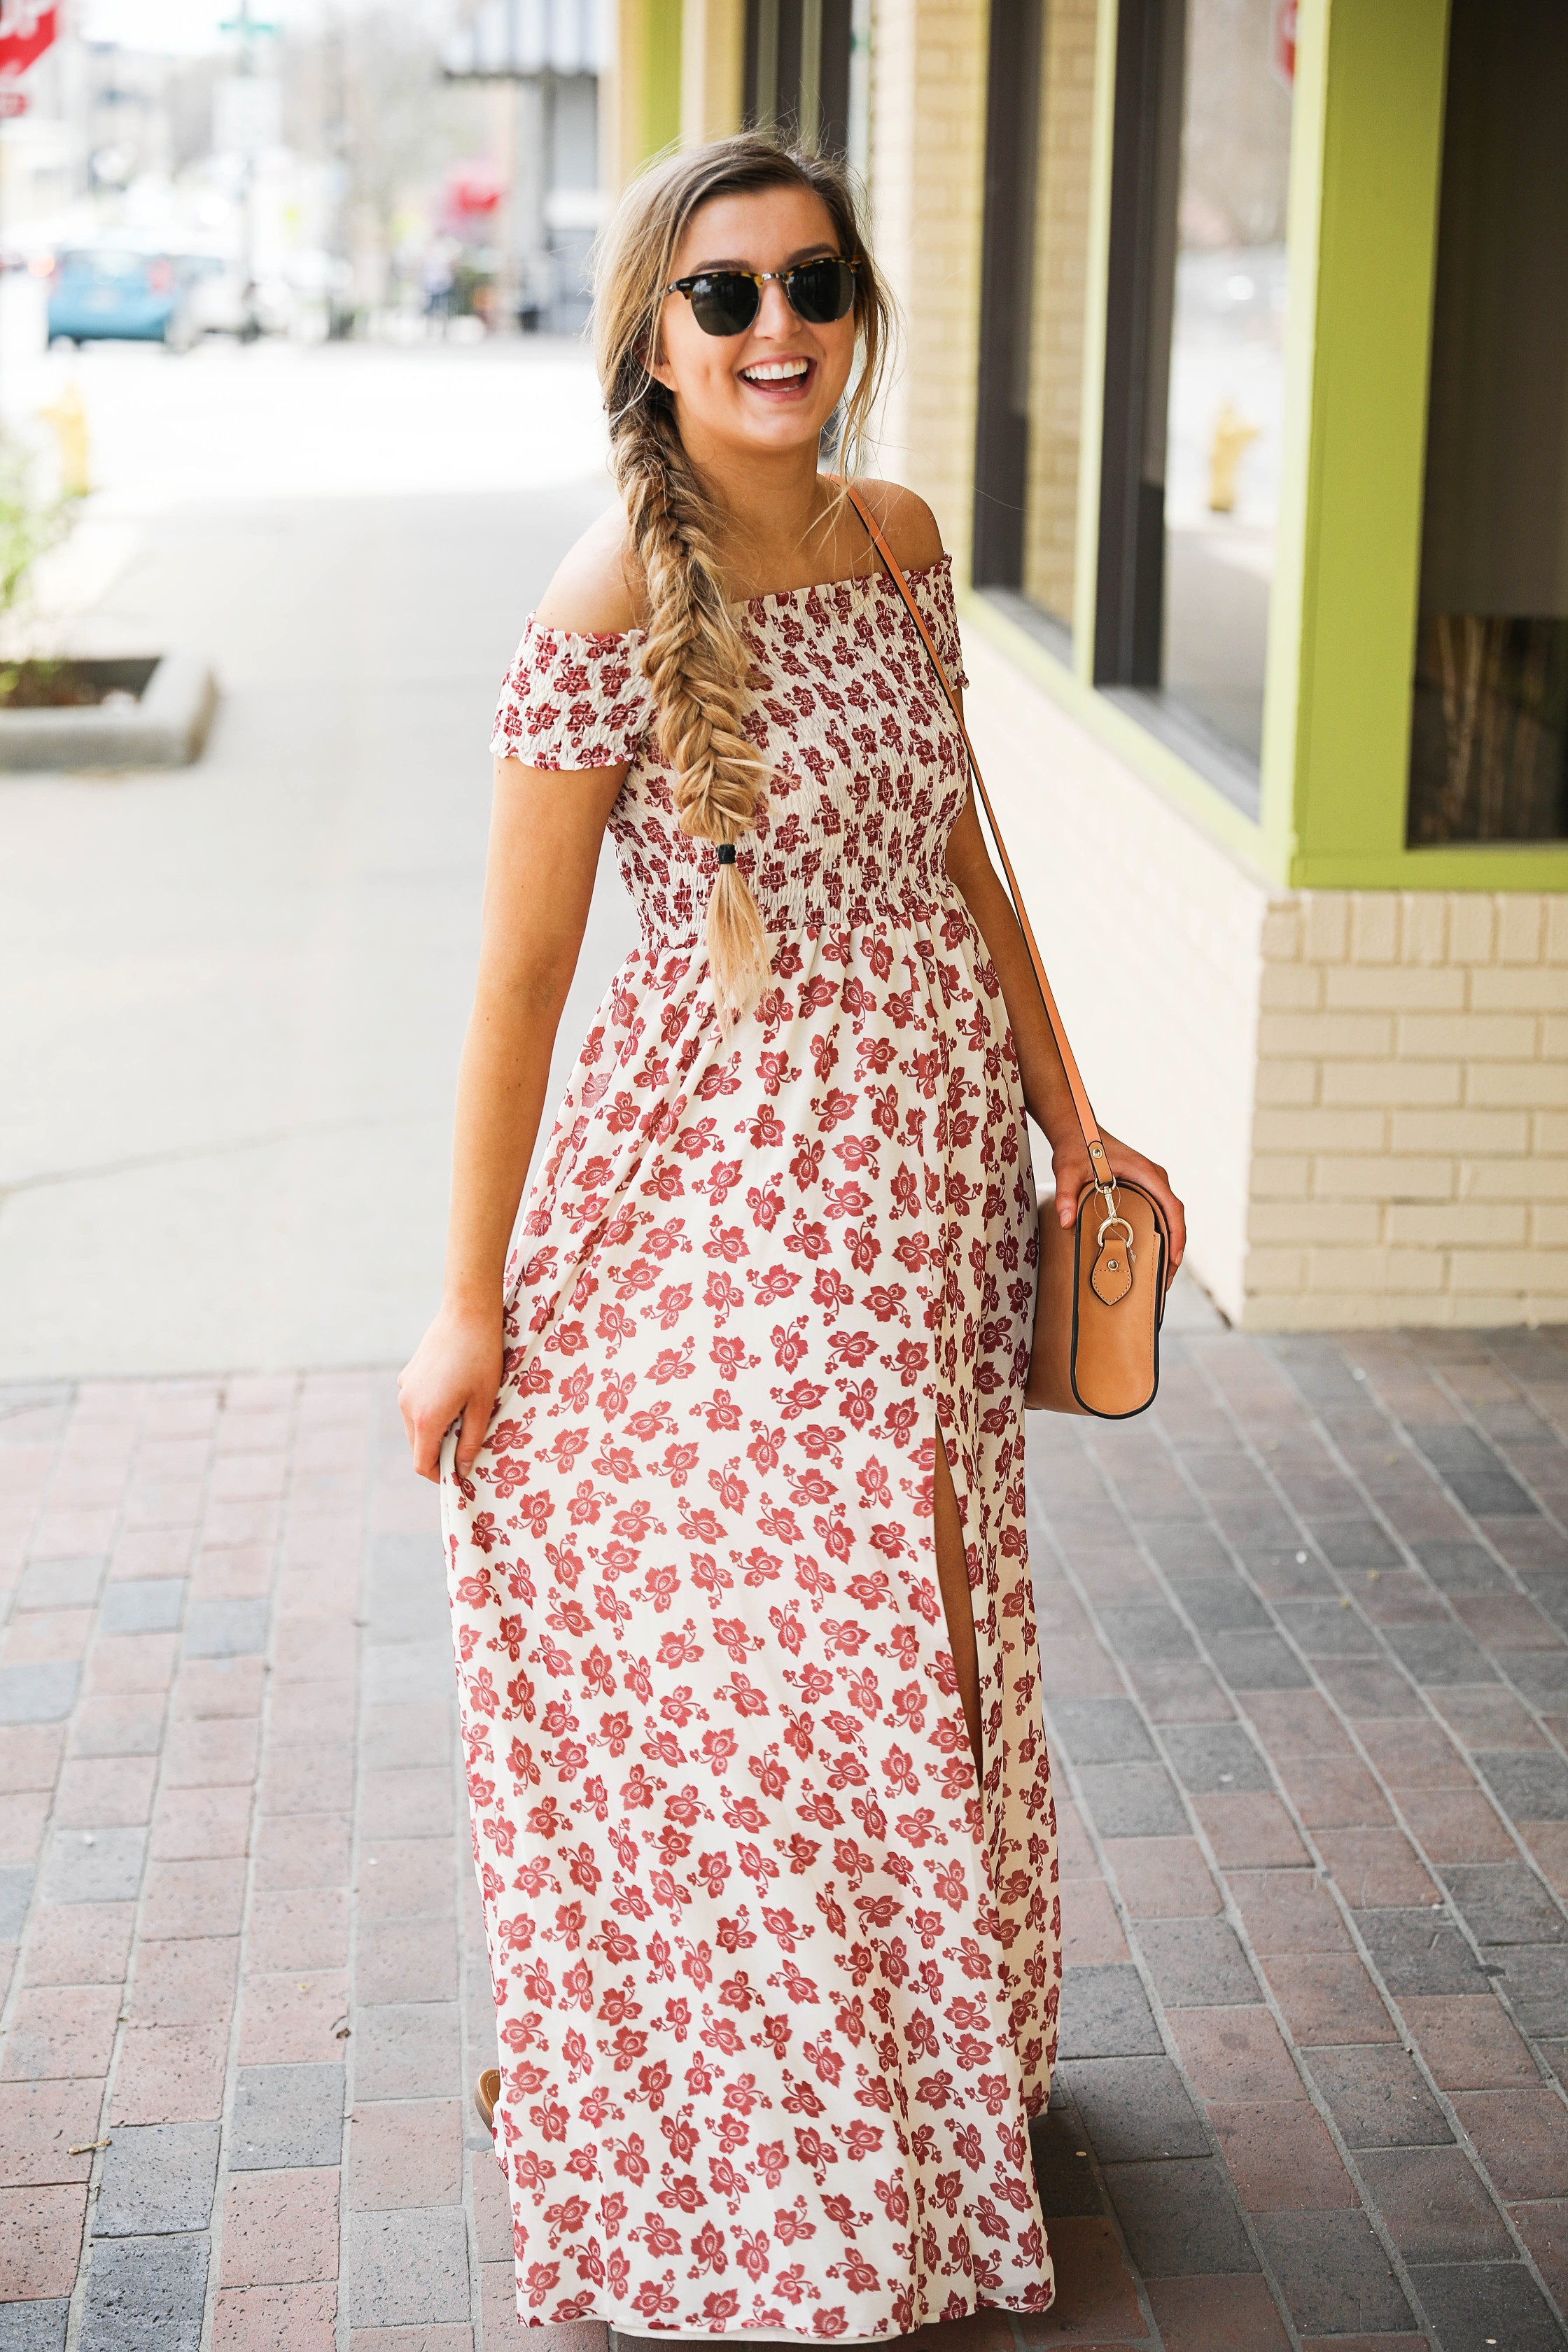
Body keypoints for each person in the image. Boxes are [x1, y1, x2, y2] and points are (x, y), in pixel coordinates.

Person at [399, 132, 1185, 2343]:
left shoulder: (902, 540)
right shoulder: (608, 598)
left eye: (811, 285)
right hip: (731, 1202)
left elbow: (964, 863)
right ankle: (757, 2117)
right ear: (652, 337)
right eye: (724, 296)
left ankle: (936, 2077)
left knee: (919, 1630)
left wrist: (1075, 1117)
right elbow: (519, 987)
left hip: (930, 1188)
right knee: (787, 1658)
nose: (777, 331)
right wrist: (468, 1300)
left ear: (858, 310)